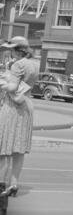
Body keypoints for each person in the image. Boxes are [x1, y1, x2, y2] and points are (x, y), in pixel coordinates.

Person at [0, 36, 38, 197]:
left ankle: (2, 183)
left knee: (4, 147)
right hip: (27, 106)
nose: (10, 52)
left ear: (18, 50)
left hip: (12, 107)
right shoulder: (33, 64)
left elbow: (13, 87)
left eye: (12, 50)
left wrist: (1, 82)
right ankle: (14, 184)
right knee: (18, 149)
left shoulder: (18, 65)